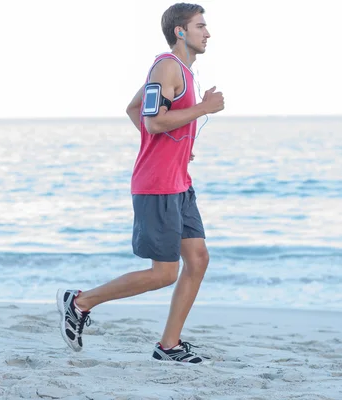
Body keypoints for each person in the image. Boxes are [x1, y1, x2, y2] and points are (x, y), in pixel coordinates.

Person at [56, 2, 224, 364]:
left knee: (197, 259)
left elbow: (134, 110)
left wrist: (177, 144)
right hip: (158, 185)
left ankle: (169, 346)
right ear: (180, 31)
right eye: (200, 26)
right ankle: (80, 301)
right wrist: (204, 109)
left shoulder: (181, 71)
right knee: (163, 273)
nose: (207, 33)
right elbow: (153, 122)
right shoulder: (167, 66)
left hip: (179, 183)